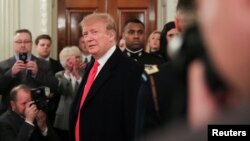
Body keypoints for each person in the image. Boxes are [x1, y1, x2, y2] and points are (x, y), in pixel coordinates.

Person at [69, 13, 144, 141]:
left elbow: (133, 122)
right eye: (85, 34)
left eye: (94, 32)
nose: (88, 38)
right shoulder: (91, 65)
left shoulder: (131, 70)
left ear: (111, 35)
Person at [0, 29, 59, 114]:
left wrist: (37, 74)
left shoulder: (44, 64)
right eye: (19, 42)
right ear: (14, 44)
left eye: (27, 41)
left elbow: (54, 87)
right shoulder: (3, 65)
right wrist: (11, 73)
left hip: (38, 112)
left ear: (31, 44)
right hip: (9, 115)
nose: (23, 45)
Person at [54, 46, 83, 141]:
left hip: (81, 116)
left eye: (76, 57)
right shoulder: (59, 75)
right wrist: (67, 73)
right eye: (70, 59)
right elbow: (61, 90)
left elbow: (86, 91)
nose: (74, 61)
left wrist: (78, 77)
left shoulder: (85, 74)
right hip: (64, 117)